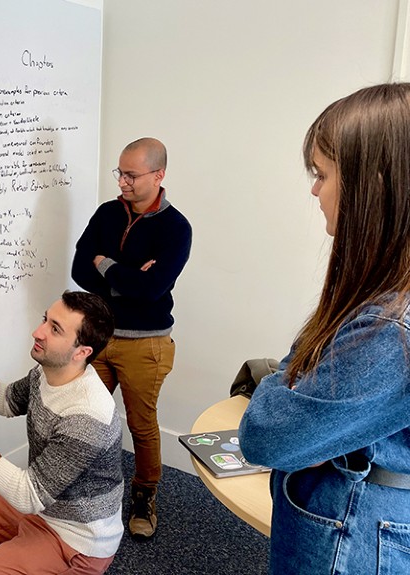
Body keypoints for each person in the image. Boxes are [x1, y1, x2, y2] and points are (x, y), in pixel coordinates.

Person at [239, 83, 410, 575]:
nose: (315, 190)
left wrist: (294, 389)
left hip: (350, 535)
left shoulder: (386, 327)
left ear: (372, 183)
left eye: (323, 174)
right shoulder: (382, 299)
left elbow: (268, 434)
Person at [0, 291, 122, 574]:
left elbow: (27, 495)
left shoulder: (88, 416)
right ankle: (24, 553)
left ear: (82, 352)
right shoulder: (47, 372)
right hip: (43, 507)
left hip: (77, 541)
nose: (37, 332)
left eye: (54, 329)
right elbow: (5, 401)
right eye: (45, 320)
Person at [71, 137, 192, 538]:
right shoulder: (108, 212)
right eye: (119, 172)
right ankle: (86, 492)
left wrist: (104, 263)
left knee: (141, 425)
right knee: (87, 418)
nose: (122, 181)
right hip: (100, 336)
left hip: (147, 342)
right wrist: (127, 274)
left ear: (159, 175)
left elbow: (151, 290)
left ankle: (144, 495)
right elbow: (79, 270)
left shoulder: (177, 228)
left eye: (132, 175)